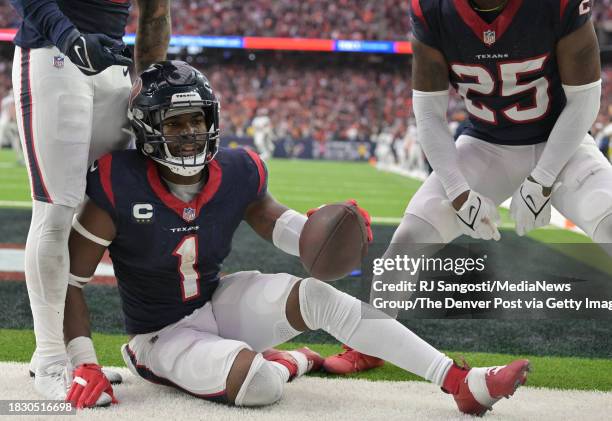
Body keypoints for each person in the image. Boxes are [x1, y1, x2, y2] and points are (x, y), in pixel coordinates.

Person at [62, 61, 529, 415]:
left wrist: (334, 228)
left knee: (316, 295)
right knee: (260, 385)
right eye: (174, 123)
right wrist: (83, 360)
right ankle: (292, 360)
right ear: (147, 128)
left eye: (196, 121)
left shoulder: (238, 172)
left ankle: (457, 380)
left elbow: (286, 228)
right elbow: (71, 282)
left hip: (217, 301)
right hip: (160, 334)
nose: (189, 134)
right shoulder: (117, 182)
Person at [325, 0, 610, 376]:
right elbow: (428, 113)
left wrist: (541, 180)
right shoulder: (433, 10)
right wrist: (459, 192)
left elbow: (586, 98)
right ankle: (369, 342)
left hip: (562, 142)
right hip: (486, 145)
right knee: (410, 237)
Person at [9, 0, 172, 404]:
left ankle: (76, 353)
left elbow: (154, 13)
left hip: (113, 67)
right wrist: (69, 37)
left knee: (97, 206)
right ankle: (49, 359)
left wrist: (152, 80)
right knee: (56, 209)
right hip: (53, 55)